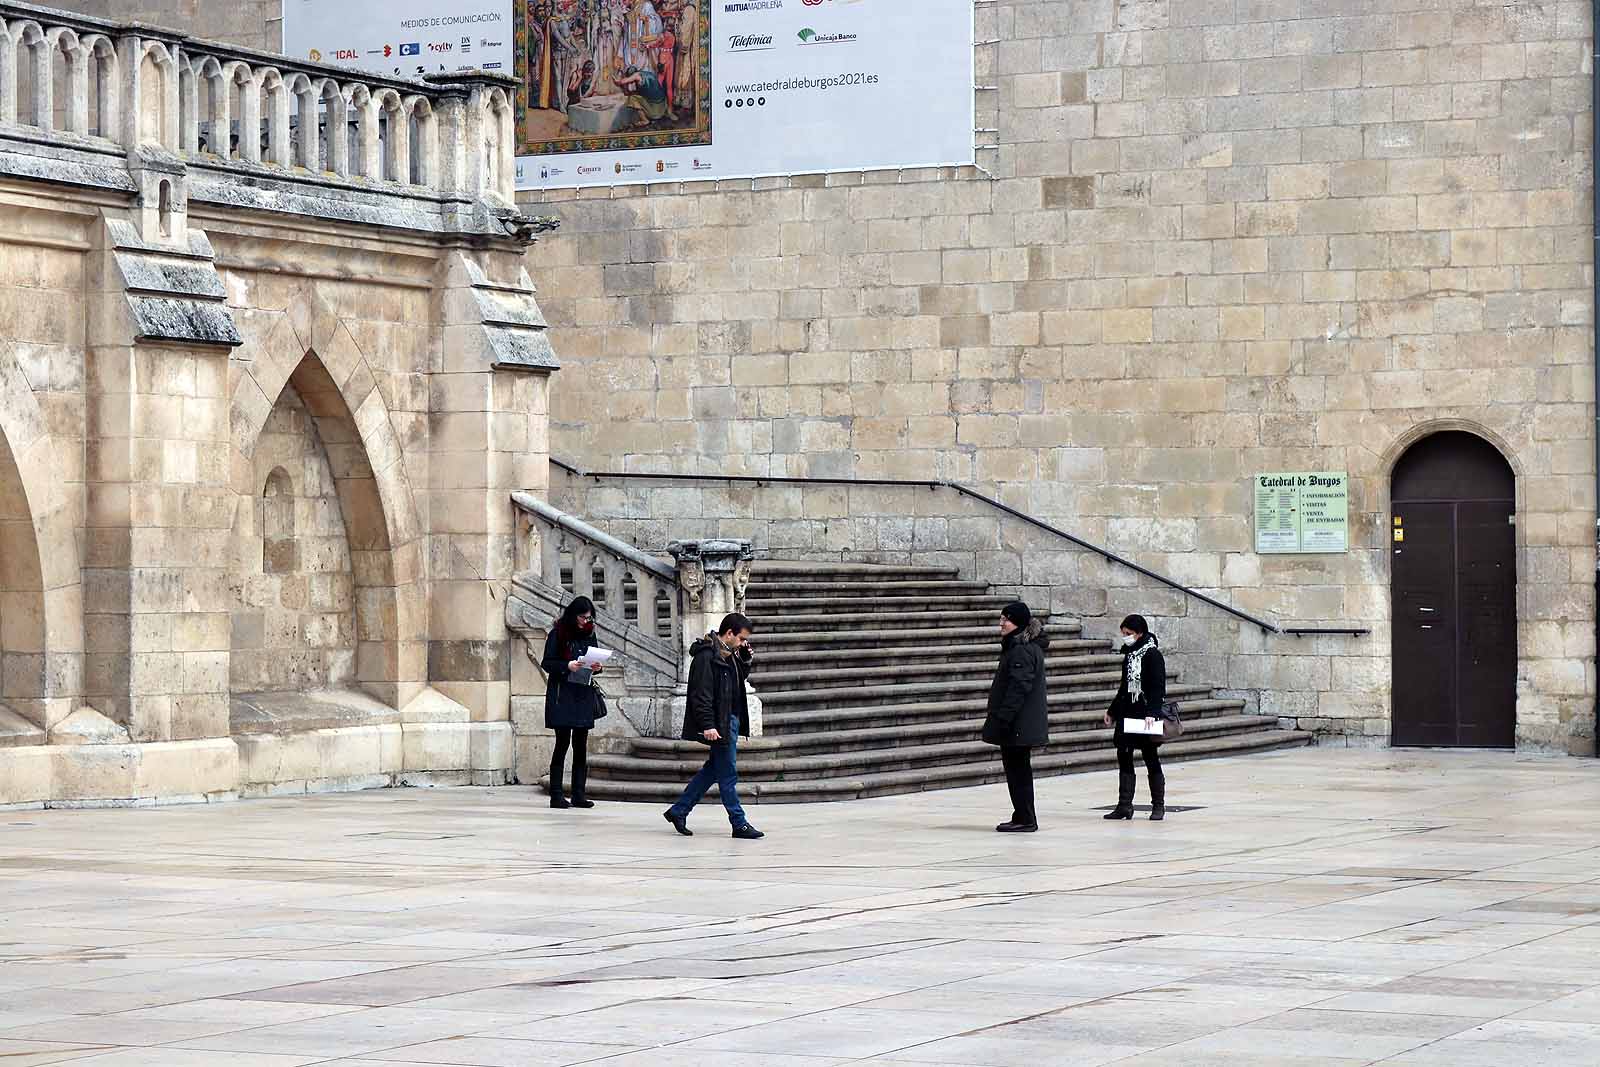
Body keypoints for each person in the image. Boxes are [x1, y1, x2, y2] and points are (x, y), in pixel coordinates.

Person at [663, 612, 764, 840]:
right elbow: (702, 695)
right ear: (729, 633)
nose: (742, 643)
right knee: (727, 774)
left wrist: (745, 660)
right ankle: (739, 823)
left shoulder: (730, 654)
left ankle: (679, 811)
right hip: (720, 722)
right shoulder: (706, 656)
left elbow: (735, 682)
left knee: (712, 770)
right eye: (741, 639)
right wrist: (708, 725)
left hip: (731, 720)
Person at [982, 601, 1050, 833]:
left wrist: (1003, 718)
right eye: (1001, 618)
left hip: (1018, 723)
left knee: (1018, 771)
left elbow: (1018, 687)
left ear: (1019, 623)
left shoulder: (1021, 649)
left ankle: (1026, 818)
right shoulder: (1021, 646)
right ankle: (1021, 814)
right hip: (1020, 722)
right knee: (1018, 771)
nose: (1001, 623)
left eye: (1006, 619)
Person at [541, 596, 606, 809]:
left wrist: (597, 667)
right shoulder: (558, 634)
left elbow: (595, 660)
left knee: (581, 747)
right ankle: (557, 795)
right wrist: (567, 665)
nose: (586, 621)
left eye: (589, 618)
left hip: (582, 694)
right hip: (563, 695)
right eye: (582, 617)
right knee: (562, 744)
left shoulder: (589, 634)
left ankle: (579, 794)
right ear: (573, 615)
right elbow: (547, 662)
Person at [1103, 614, 1167, 821]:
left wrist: (1153, 713)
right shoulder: (1130, 654)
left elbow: (1158, 687)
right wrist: (1112, 711)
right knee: (1124, 755)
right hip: (1127, 712)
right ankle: (1124, 805)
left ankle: (1158, 806)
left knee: (1150, 757)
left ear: (1140, 633)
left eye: (1129, 634)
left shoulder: (1152, 655)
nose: (1126, 638)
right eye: (1123, 634)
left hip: (1145, 713)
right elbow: (1124, 687)